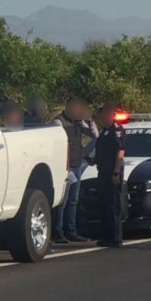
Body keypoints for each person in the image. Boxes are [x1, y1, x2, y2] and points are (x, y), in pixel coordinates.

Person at [52, 98, 93, 244]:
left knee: (73, 201)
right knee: (62, 201)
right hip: (65, 167)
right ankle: (58, 232)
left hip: (78, 165)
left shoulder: (78, 122)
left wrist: (89, 121)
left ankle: (71, 231)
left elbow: (95, 135)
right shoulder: (59, 122)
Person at [93, 103, 126, 248]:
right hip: (103, 172)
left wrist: (116, 172)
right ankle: (107, 236)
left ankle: (116, 238)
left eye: (105, 115)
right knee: (105, 205)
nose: (102, 118)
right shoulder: (104, 131)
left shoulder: (116, 130)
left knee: (113, 206)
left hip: (112, 172)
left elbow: (120, 152)